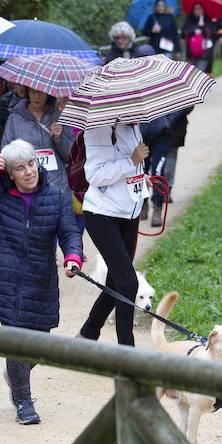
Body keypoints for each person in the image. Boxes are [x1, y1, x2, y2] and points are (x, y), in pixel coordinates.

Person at [0, 140, 83, 424]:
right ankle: (24, 402)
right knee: (16, 343)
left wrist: (73, 256)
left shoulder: (56, 196)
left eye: (31, 164)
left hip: (41, 280)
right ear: (10, 174)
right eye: (20, 168)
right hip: (6, 280)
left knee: (40, 345)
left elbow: (69, 232)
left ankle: (16, 373)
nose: (29, 172)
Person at [77, 122, 149, 346]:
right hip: (102, 215)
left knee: (117, 282)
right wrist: (132, 161)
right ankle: (126, 353)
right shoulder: (98, 128)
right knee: (128, 283)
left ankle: (88, 333)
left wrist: (140, 176)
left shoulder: (132, 125)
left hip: (129, 213)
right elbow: (95, 175)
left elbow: (126, 168)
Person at [1, 87, 73, 192]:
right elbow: (5, 154)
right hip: (27, 183)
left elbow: (70, 156)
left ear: (48, 94)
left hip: (57, 185)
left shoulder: (59, 116)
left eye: (41, 92)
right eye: (33, 91)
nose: (37, 96)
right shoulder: (15, 118)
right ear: (27, 92)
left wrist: (59, 138)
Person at [182, 3, 222, 74]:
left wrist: (202, 28)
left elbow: (212, 33)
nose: (198, 10)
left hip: (205, 53)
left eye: (200, 8)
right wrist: (194, 32)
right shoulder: (189, 21)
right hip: (191, 53)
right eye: (196, 9)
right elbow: (184, 34)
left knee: (200, 73)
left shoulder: (209, 20)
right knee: (190, 74)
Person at [0, 81, 25, 148]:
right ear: (13, 84)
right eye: (18, 84)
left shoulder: (33, 102)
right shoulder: (5, 101)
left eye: (24, 85)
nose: (21, 88)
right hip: (8, 142)